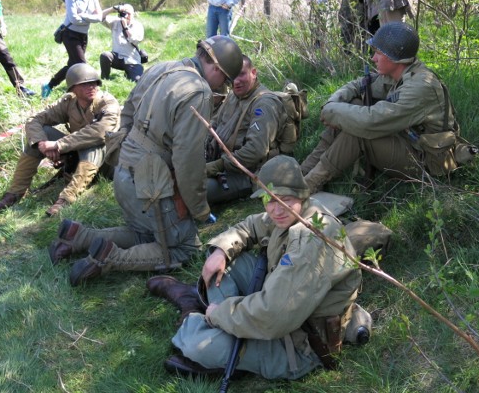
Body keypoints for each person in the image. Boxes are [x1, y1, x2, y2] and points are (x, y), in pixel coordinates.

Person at [48, 36, 243, 287]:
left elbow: (128, 109)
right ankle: (110, 258)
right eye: (224, 80)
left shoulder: (164, 67)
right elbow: (188, 160)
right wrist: (200, 209)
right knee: (185, 247)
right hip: (150, 184)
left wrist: (132, 149)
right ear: (216, 68)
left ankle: (79, 237)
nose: (223, 87)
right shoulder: (200, 92)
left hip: (124, 170)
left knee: (146, 233)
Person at [147, 155, 362, 380]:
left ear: (301, 194)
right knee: (227, 265)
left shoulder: (311, 240)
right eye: (268, 199)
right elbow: (251, 225)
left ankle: (194, 313)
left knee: (194, 345)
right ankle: (221, 321)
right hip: (281, 303)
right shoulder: (296, 211)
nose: (276, 209)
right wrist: (221, 251)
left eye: (284, 199)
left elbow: (273, 316)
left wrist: (218, 314)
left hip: (301, 346)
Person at [302, 22, 464, 193]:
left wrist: (333, 112)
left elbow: (369, 122)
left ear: (396, 59)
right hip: (408, 141)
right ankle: (303, 172)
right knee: (355, 104)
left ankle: (308, 186)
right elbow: (360, 85)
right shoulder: (399, 73)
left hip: (426, 161)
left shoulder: (421, 86)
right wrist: (333, 103)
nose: (373, 58)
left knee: (358, 131)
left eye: (378, 53)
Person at [0, 64, 120, 216]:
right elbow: (34, 120)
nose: (91, 87)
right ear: (73, 88)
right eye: (84, 84)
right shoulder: (69, 102)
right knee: (38, 136)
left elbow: (101, 132)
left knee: (95, 144)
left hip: (107, 164)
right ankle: (14, 193)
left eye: (94, 83)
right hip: (77, 156)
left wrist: (58, 145)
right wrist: (42, 144)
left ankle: (66, 199)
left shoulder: (107, 103)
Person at [204, 54, 287, 205]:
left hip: (244, 173)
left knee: (193, 189)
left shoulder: (264, 104)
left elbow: (256, 150)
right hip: (217, 161)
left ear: (253, 72)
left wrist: (219, 165)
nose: (236, 81)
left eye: (241, 74)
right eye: (232, 76)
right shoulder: (234, 95)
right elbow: (215, 123)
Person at [42, 0, 101, 98]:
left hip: (83, 35)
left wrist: (83, 15)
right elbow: (74, 19)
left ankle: (49, 85)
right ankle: (80, 93)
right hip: (70, 34)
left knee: (73, 65)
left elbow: (99, 16)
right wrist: (90, 17)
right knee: (81, 64)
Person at [99, 3, 145, 82]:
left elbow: (136, 40)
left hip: (132, 60)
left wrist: (125, 27)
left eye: (129, 14)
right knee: (105, 56)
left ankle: (128, 73)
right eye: (124, 13)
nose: (126, 16)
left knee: (137, 80)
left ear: (133, 14)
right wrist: (113, 9)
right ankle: (105, 78)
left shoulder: (138, 26)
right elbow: (100, 17)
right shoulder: (116, 22)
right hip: (117, 58)